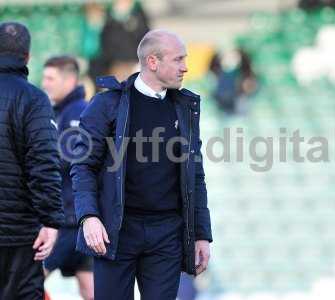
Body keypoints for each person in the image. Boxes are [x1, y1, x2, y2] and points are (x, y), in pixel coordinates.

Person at [71, 29, 213, 300]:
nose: (185, 67)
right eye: (178, 59)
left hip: (167, 234)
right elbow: (83, 166)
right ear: (152, 62)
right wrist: (88, 217)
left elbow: (195, 175)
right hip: (116, 231)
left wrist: (201, 234)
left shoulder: (185, 108)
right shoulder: (107, 104)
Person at [0, 21, 64, 300]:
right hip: (19, 235)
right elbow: (44, 163)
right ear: (27, 56)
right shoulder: (34, 99)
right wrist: (50, 221)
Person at [41, 55, 93, 300]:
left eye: (50, 78)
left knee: (29, 280)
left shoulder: (78, 114)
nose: (45, 83)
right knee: (91, 290)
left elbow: (70, 161)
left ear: (70, 79)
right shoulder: (59, 111)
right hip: (77, 219)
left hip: (69, 221)